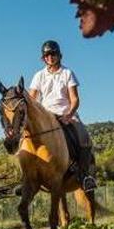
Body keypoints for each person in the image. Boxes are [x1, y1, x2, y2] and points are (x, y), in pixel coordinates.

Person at [28, 40, 96, 191]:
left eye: (53, 54)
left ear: (59, 55)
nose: (50, 57)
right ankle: (27, 180)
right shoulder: (38, 76)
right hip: (47, 116)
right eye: (47, 55)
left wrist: (69, 115)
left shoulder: (67, 73)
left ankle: (85, 176)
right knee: (26, 138)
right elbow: (32, 100)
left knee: (84, 138)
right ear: (43, 58)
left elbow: (75, 99)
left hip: (66, 113)